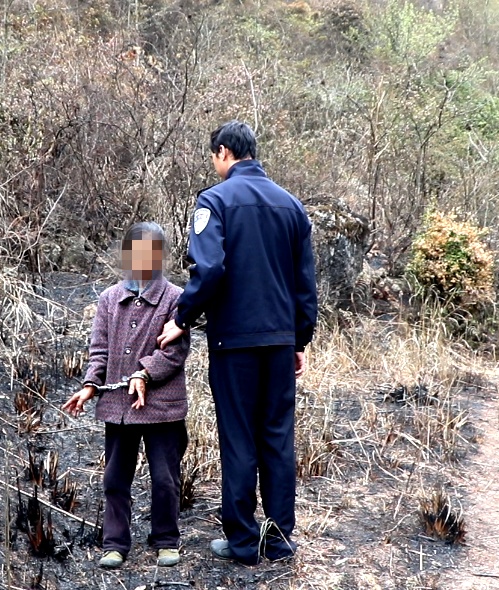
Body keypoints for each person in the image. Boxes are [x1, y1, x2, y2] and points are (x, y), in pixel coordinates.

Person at [158, 121, 318, 565]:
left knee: (239, 438)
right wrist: (298, 339)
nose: (215, 164)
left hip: (235, 343)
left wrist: (181, 317)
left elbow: (209, 270)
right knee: (277, 437)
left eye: (214, 157)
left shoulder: (215, 200)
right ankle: (280, 540)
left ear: (224, 152)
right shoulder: (292, 206)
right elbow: (306, 284)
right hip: (281, 341)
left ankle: (245, 542)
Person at [63, 222, 191, 569]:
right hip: (118, 407)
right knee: (115, 478)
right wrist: (90, 385)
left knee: (166, 478)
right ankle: (115, 544)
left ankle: (166, 540)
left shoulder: (176, 298)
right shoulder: (109, 298)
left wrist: (144, 373)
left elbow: (175, 352)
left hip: (163, 407)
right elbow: (99, 351)